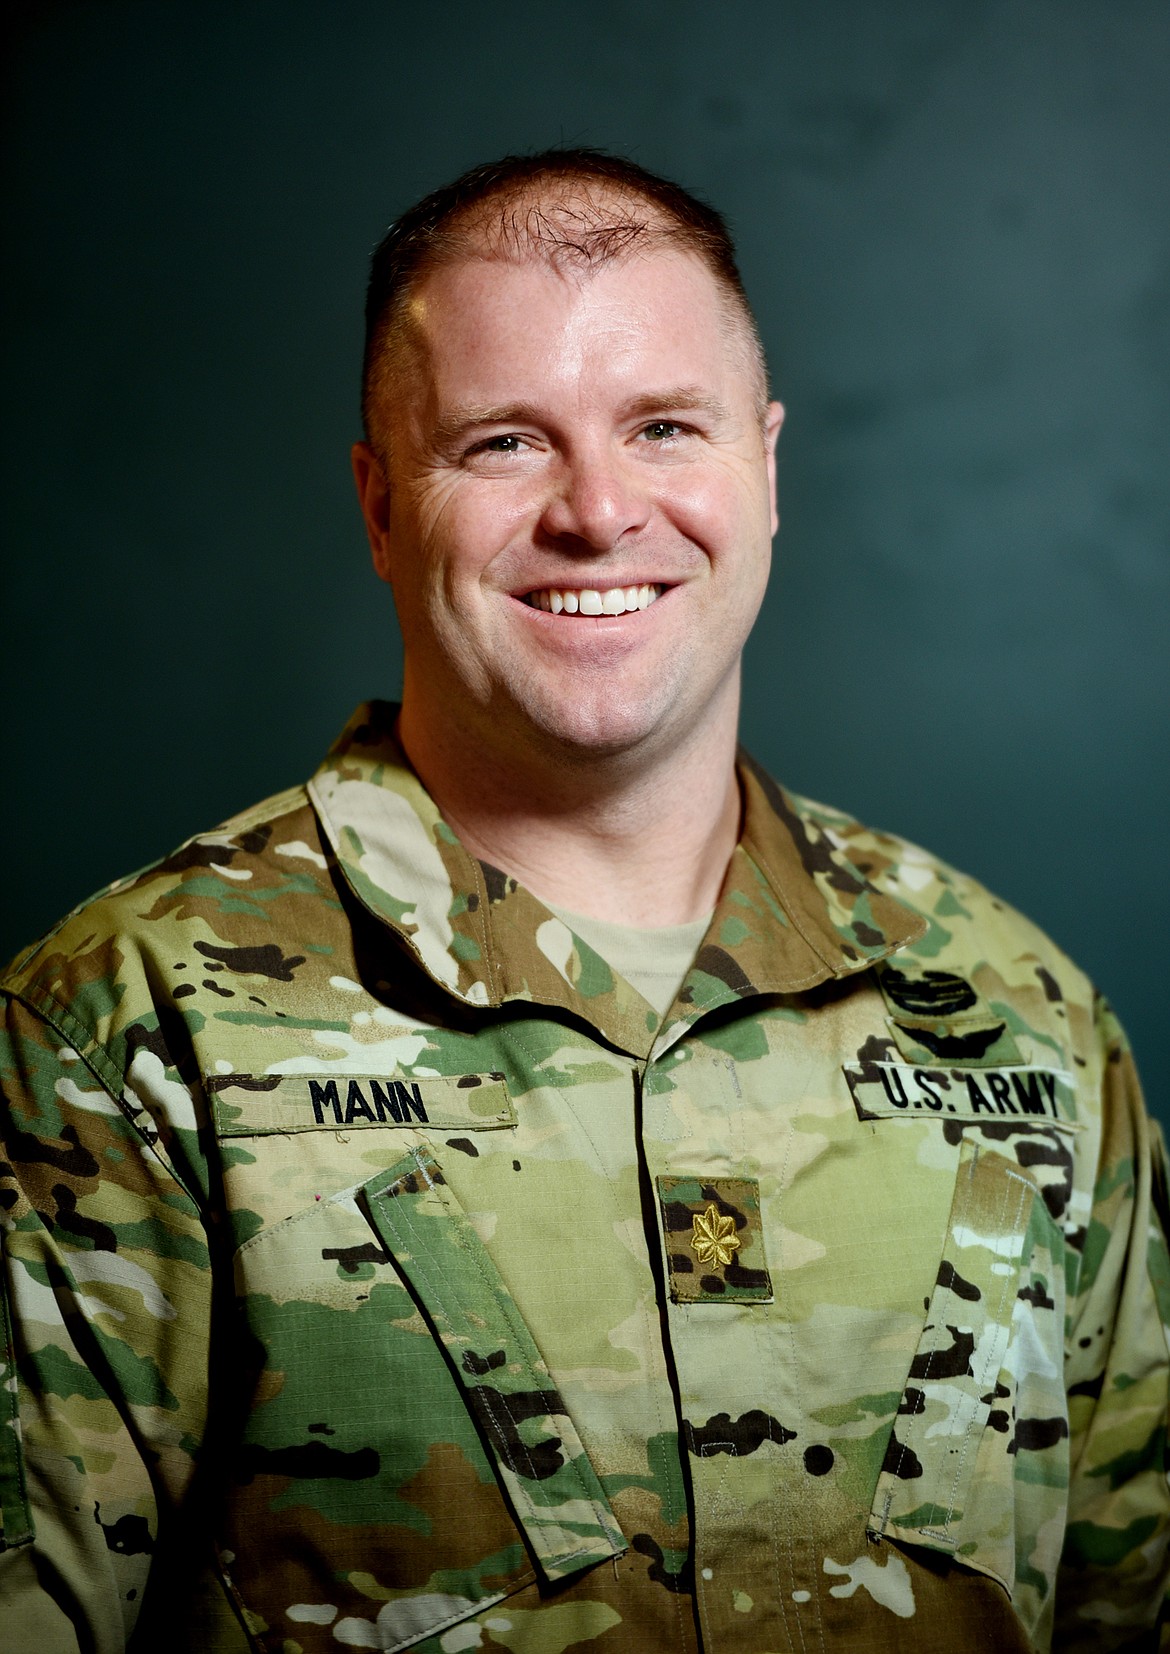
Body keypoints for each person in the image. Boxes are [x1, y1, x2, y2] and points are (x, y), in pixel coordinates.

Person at [0, 149, 1166, 1654]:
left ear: (763, 467)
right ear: (375, 501)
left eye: (663, 427)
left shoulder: (1020, 1021)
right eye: (502, 444)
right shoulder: (119, 1036)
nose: (599, 510)